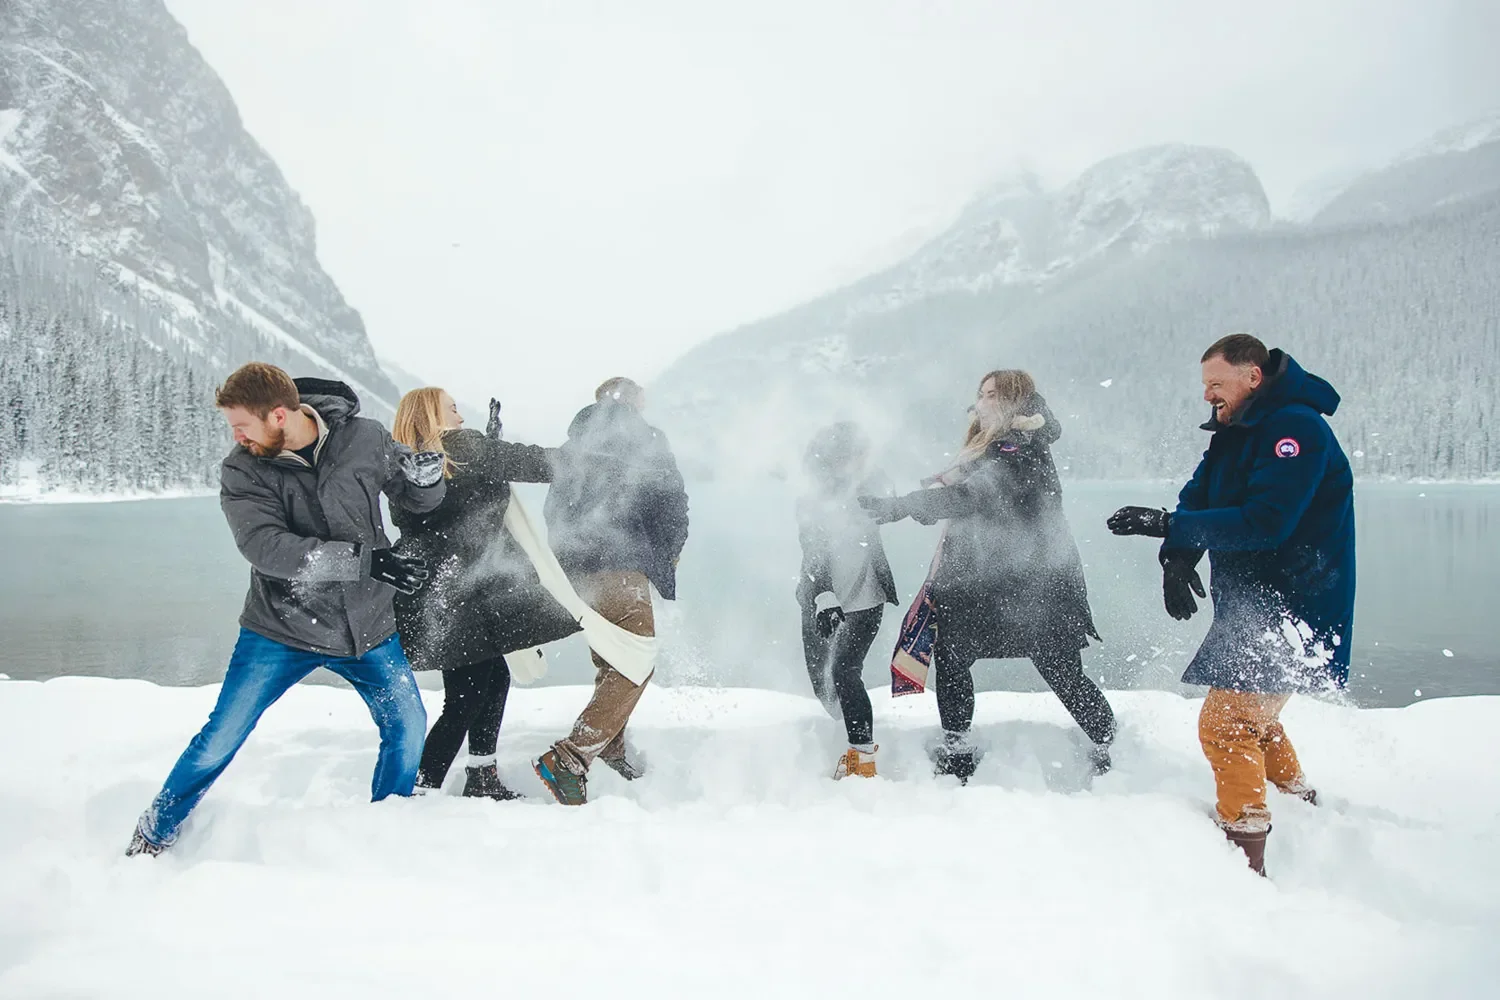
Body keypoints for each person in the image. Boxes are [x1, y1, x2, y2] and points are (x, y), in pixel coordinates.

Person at [126, 363, 445, 856]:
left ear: (279, 414)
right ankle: (154, 830)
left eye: (242, 426)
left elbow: (415, 501)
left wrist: (426, 483)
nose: (237, 437)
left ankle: (389, 822)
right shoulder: (242, 469)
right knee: (221, 735)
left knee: (407, 725)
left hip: (367, 626)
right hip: (280, 628)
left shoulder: (364, 437)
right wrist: (365, 562)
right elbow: (266, 548)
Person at [1108, 334, 1354, 875]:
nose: (1207, 396)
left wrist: (1167, 525)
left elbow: (1267, 522)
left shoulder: (1295, 429)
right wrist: (1177, 553)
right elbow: (1202, 493)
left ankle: (1246, 851)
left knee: (1226, 724)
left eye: (1215, 384)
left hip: (1292, 609)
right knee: (1255, 718)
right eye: (1204, 386)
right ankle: (1299, 803)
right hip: (1258, 607)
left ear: (1252, 377)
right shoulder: (1237, 431)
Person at [861, 370, 1116, 782]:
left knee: (1059, 669)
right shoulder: (995, 443)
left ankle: (1108, 746)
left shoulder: (1021, 447)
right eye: (980, 394)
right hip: (980, 578)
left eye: (992, 395)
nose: (981, 402)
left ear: (1014, 401)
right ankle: (958, 749)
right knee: (953, 657)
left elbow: (978, 494)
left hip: (1034, 581)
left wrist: (907, 506)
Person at [390, 387, 581, 800]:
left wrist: (488, 452)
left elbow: (450, 509)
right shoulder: (461, 447)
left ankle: (481, 775)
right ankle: (422, 788)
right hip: (465, 593)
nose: (460, 415)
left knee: (491, 679)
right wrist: (592, 464)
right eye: (452, 408)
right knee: (467, 695)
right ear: (431, 414)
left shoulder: (408, 463)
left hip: (439, 592)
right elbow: (531, 462)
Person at [532, 377, 689, 804]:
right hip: (620, 564)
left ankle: (611, 746)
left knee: (611, 659)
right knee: (636, 662)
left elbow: (553, 509)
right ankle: (572, 756)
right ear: (636, 401)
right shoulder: (645, 437)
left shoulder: (575, 441)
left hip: (576, 571)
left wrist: (567, 559)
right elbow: (672, 503)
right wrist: (666, 555)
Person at [795, 422, 899, 778]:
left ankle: (861, 758)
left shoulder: (871, 486)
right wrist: (823, 596)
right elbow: (812, 548)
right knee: (824, 685)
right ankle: (849, 725)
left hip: (868, 596)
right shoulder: (811, 497)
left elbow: (891, 500)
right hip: (822, 597)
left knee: (844, 670)